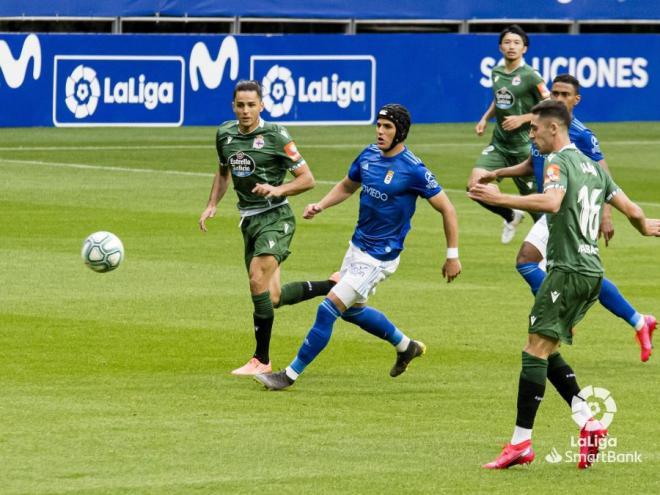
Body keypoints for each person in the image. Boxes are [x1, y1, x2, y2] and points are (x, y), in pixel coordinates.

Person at [469, 100, 660, 469]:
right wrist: (646, 227)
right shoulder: (593, 168)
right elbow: (634, 210)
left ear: (553, 129)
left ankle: (521, 444)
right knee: (546, 345)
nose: (532, 136)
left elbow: (553, 201)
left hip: (568, 270)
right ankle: (588, 421)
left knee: (533, 351)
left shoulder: (558, 162)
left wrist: (501, 197)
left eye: (535, 130)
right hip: (591, 273)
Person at [254, 104, 461, 390]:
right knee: (352, 311)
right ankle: (405, 346)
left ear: (400, 131)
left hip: (380, 257)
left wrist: (452, 256)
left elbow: (448, 209)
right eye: (378, 125)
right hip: (358, 246)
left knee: (328, 310)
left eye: (387, 127)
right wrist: (321, 205)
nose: (380, 131)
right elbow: (347, 186)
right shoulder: (368, 155)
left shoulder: (414, 170)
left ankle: (288, 375)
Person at [480, 74, 656, 361]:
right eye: (555, 92)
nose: (558, 98)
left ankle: (562, 312)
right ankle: (637, 320)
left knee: (536, 263)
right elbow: (532, 163)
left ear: (576, 100)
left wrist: (605, 214)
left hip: (568, 212)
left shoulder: (580, 136)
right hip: (550, 211)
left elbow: (602, 176)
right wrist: (498, 173)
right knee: (578, 273)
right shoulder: (542, 130)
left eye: (565, 94)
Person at [199, 80, 337, 376]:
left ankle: (261, 360)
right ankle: (335, 286)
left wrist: (277, 189)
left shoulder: (276, 135)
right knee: (271, 297)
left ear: (262, 105)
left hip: (276, 218)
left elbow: (307, 179)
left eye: (251, 105)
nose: (246, 111)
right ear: (233, 106)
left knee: (255, 278)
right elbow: (224, 171)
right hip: (248, 219)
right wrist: (212, 204)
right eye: (241, 105)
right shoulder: (225, 134)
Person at [468, 24, 550, 244]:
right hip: (500, 144)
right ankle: (511, 215)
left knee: (539, 211)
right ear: (500, 47)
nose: (511, 46)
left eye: (516, 43)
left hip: (525, 149)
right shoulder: (496, 72)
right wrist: (485, 118)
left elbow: (551, 107)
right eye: (507, 42)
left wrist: (523, 119)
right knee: (475, 186)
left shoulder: (531, 76)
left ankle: (548, 253)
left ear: (525, 48)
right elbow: (500, 99)